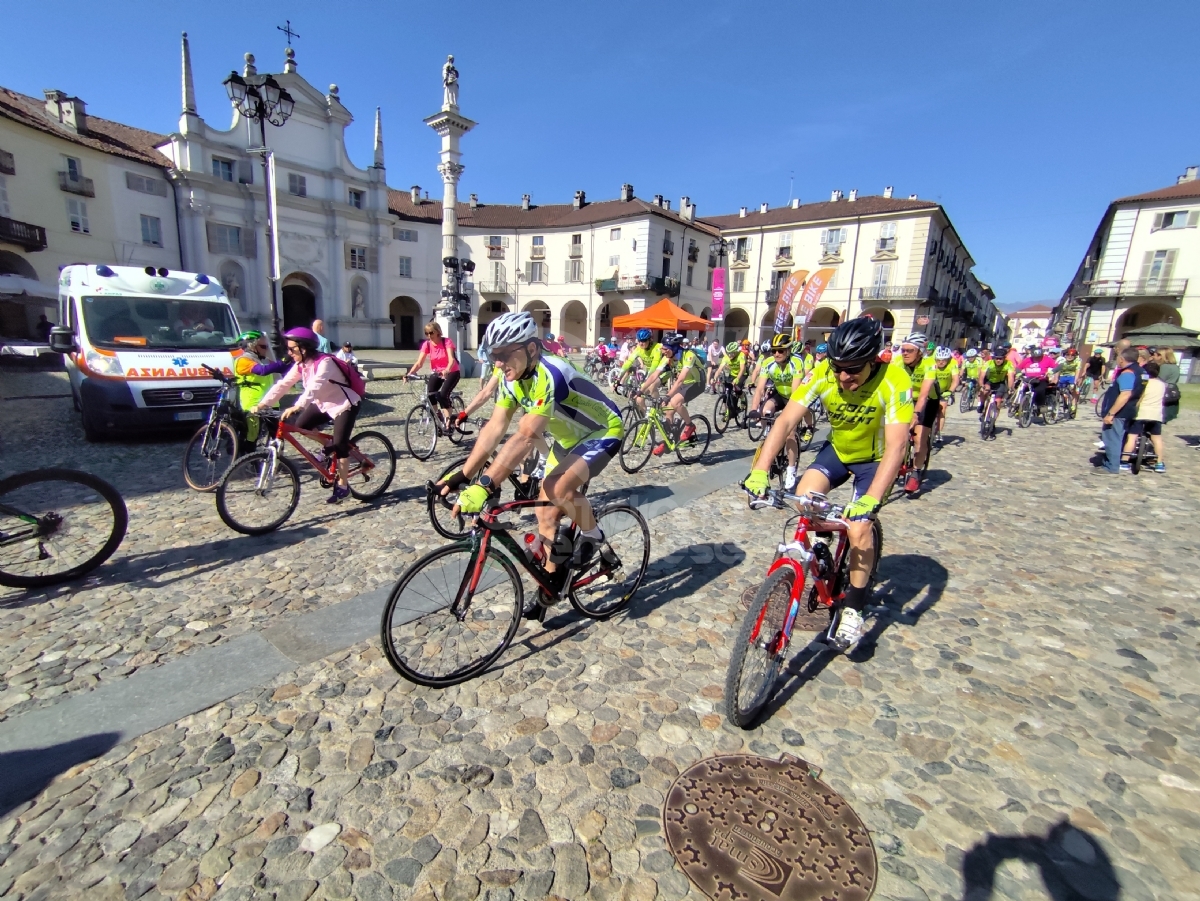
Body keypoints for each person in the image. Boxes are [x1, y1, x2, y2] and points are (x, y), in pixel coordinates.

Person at [743, 316, 913, 650]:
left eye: (853, 370)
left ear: (873, 360)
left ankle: (854, 606)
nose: (844, 377)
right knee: (805, 501)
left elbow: (897, 445)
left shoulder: (894, 379)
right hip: (838, 450)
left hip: (875, 460)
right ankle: (824, 549)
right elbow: (787, 419)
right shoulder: (823, 373)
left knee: (859, 528)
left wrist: (870, 500)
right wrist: (760, 470)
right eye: (838, 369)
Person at [436, 312, 623, 604]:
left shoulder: (551, 374)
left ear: (531, 349)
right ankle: (551, 587)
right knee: (544, 515)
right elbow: (494, 429)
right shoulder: (510, 376)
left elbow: (525, 436)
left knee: (557, 489)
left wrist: (484, 485)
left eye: (503, 355)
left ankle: (593, 533)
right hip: (567, 440)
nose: (497, 363)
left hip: (602, 431)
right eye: (493, 355)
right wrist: (463, 475)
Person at [256, 327, 362, 503]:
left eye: (292, 349)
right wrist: (262, 403)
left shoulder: (325, 362)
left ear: (304, 348)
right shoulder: (301, 365)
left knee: (341, 445)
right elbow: (284, 384)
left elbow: (315, 386)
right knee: (301, 425)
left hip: (344, 404)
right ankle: (329, 445)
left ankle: (343, 487)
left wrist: (298, 406)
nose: (289, 353)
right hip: (322, 404)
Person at [749, 332, 804, 487]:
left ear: (788, 350)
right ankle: (769, 437)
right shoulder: (768, 363)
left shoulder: (796, 362)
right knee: (766, 410)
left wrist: (787, 419)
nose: (776, 354)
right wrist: (754, 410)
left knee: (790, 433)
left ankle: (791, 468)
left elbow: (795, 391)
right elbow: (760, 389)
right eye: (774, 351)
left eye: (780, 350)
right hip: (780, 394)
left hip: (794, 397)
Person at [641, 334, 703, 455]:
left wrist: (668, 395)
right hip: (684, 383)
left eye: (665, 349)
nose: (663, 351)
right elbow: (654, 375)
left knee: (675, 402)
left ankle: (689, 425)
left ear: (674, 348)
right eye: (662, 348)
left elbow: (680, 379)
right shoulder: (668, 357)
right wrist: (641, 390)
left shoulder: (688, 356)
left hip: (697, 382)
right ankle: (669, 439)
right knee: (668, 410)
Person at [895, 333, 939, 495]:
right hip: (905, 397)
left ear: (919, 352)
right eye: (902, 350)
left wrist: (915, 414)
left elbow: (924, 394)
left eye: (909, 350)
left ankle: (916, 471)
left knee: (920, 437)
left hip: (927, 401)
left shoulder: (929, 364)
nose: (904, 353)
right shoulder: (898, 362)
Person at [232, 330, 286, 442]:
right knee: (251, 438)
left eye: (266, 346)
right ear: (251, 346)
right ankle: (248, 458)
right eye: (263, 346)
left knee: (277, 438)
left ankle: (276, 458)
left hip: (270, 403)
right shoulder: (243, 360)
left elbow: (279, 370)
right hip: (253, 404)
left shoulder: (262, 361)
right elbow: (262, 371)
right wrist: (283, 362)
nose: (266, 350)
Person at [1098, 347, 1144, 475]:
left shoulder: (1127, 373)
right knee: (1118, 437)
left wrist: (1111, 413)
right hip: (1131, 409)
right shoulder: (1142, 372)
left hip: (1120, 411)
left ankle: (1111, 466)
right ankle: (1111, 464)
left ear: (1122, 359)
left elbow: (1125, 394)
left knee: (1113, 438)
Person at [407, 321, 460, 429]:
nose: (429, 336)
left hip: (452, 371)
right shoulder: (427, 344)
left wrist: (447, 369)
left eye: (431, 333)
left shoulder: (447, 342)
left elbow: (452, 360)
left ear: (437, 332)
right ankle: (438, 417)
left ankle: (449, 420)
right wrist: (409, 374)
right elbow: (419, 363)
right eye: (427, 333)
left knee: (443, 394)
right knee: (430, 394)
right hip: (437, 372)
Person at [1121, 360, 1166, 473]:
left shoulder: (1143, 383)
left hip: (1141, 413)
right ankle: (1159, 463)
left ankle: (1124, 461)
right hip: (1156, 414)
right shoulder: (1162, 384)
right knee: (1157, 439)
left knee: (1132, 437)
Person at [1017, 346, 1056, 420]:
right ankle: (1025, 409)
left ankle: (1041, 406)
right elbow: (1018, 368)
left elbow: (1057, 366)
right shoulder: (1027, 360)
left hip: (1042, 379)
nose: (1037, 359)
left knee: (1039, 390)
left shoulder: (1048, 359)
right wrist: (1019, 373)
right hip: (1029, 380)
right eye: (1035, 357)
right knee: (1024, 392)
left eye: (1039, 357)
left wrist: (1052, 373)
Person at [930, 346, 960, 441]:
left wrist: (950, 391)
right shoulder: (931, 363)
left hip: (944, 391)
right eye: (938, 360)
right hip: (932, 390)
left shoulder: (952, 364)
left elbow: (955, 380)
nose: (941, 362)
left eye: (944, 360)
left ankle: (938, 432)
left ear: (948, 359)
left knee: (941, 411)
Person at [1156, 348, 1181, 425]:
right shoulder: (1175, 367)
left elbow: (1159, 380)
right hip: (1172, 390)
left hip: (1164, 390)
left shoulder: (1165, 367)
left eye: (1157, 355)